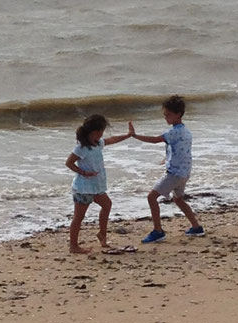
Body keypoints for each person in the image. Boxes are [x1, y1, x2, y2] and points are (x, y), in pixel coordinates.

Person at [130, 95, 205, 243]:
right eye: (165, 115)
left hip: (175, 174)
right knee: (178, 199)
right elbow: (180, 150)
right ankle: (196, 227)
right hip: (184, 172)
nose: (166, 118)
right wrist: (167, 158)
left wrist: (135, 136)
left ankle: (158, 231)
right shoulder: (186, 131)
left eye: (168, 115)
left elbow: (155, 140)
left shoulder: (173, 132)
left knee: (151, 197)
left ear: (178, 114)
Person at [65, 114, 133, 254]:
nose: (102, 135)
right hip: (83, 188)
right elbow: (69, 163)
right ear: (92, 132)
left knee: (107, 205)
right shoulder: (81, 148)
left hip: (96, 187)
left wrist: (128, 135)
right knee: (79, 217)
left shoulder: (97, 143)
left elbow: (111, 140)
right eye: (100, 132)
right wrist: (83, 172)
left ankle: (102, 234)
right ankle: (73, 245)